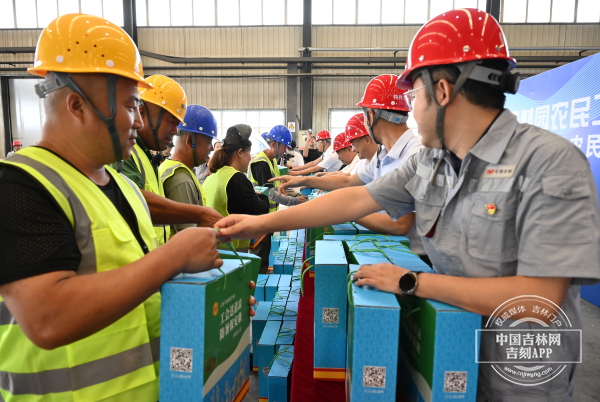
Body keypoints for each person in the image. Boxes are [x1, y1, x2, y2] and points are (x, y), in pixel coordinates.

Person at [216, 8, 600, 401]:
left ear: (442, 91)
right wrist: (259, 223)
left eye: (414, 95)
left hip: (515, 380)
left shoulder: (550, 163)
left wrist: (411, 282)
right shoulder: (431, 161)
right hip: (445, 360)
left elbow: (539, 299)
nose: (411, 111)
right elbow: (356, 196)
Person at [0, 14, 254, 402]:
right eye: (131, 106)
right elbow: (47, 319)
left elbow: (136, 287)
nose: (138, 121)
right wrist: (175, 256)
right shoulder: (21, 186)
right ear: (76, 105)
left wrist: (215, 301)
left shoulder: (124, 187)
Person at [270, 75, 426, 259]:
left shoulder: (415, 156)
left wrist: (344, 211)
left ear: (371, 115)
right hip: (387, 244)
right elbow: (348, 181)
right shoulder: (382, 156)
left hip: (411, 258)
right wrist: (301, 179)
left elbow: (400, 225)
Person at [117, 74, 189, 246]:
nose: (175, 131)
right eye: (171, 122)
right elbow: (133, 201)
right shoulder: (126, 154)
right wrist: (197, 214)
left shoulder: (147, 157)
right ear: (142, 113)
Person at [203, 129, 269, 253]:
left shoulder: (212, 176)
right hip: (233, 250)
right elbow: (258, 210)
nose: (250, 158)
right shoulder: (236, 178)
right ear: (240, 152)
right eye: (249, 152)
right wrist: (263, 196)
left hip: (214, 246)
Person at [159, 105, 216, 234]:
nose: (212, 148)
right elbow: (189, 236)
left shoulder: (170, 168)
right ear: (190, 140)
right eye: (209, 141)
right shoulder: (180, 179)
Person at [248, 125, 307, 211]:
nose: (285, 151)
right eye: (284, 147)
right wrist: (295, 200)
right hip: (261, 213)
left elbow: (277, 186)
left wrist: (295, 192)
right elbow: (270, 193)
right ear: (273, 144)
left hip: (269, 212)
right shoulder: (261, 163)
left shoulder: (272, 160)